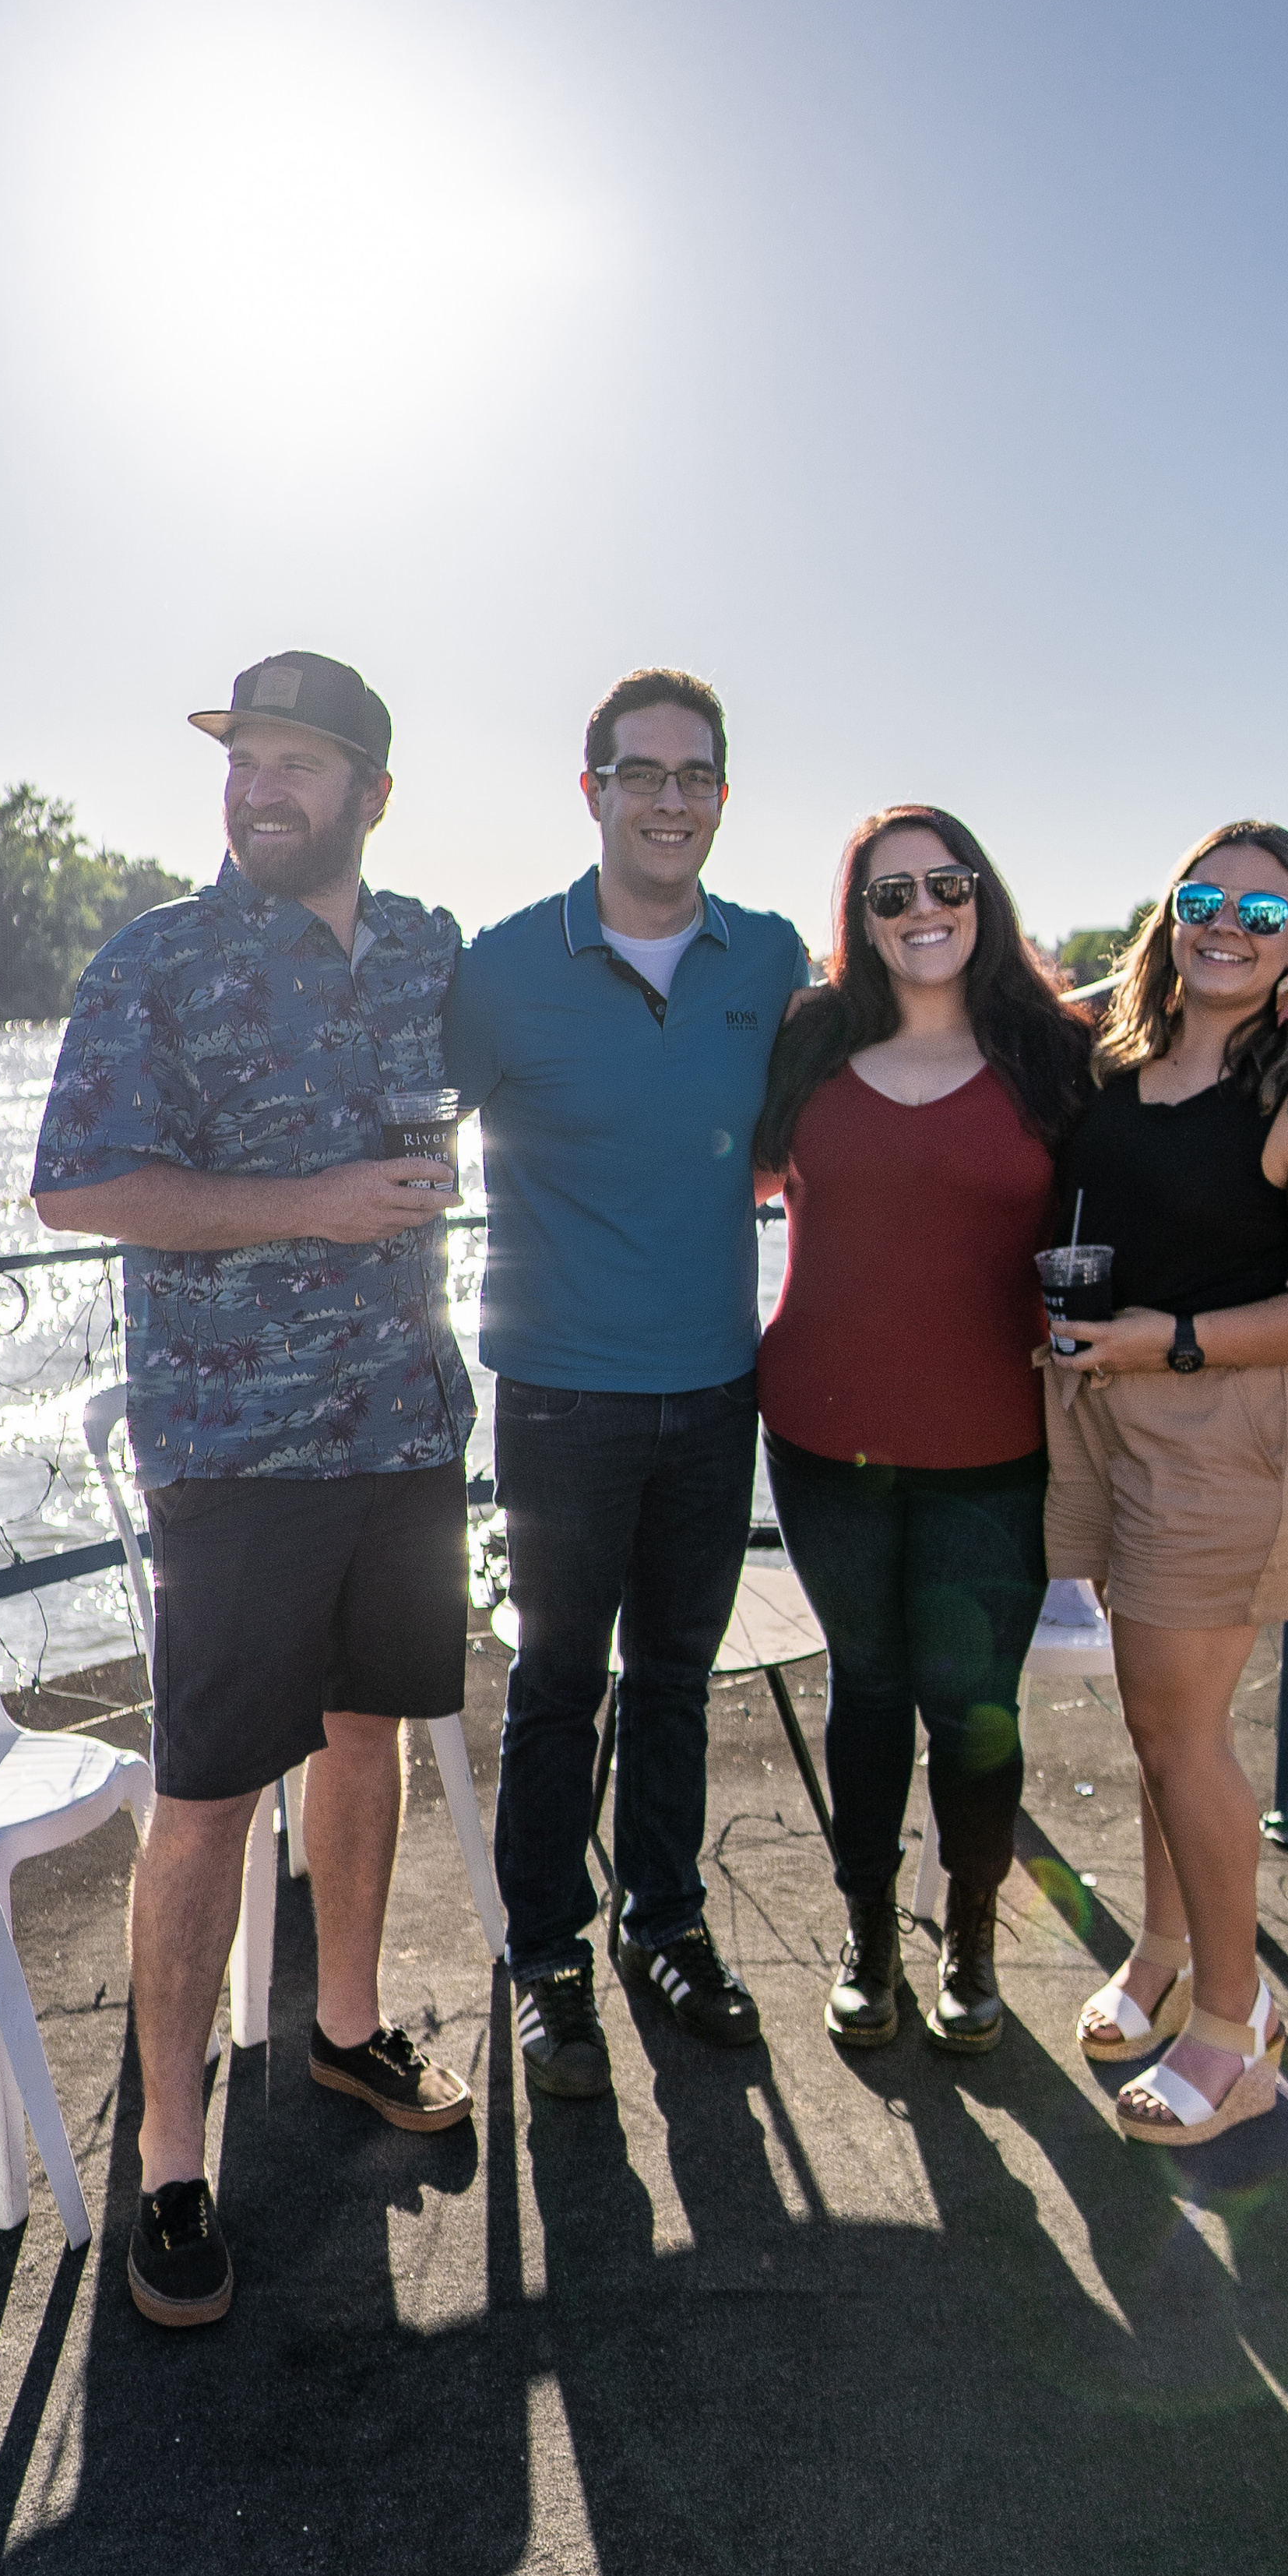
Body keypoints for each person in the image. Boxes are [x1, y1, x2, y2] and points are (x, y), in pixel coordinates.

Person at [33, 650, 477, 2328]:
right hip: (234, 1453)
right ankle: (169, 2155)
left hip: (407, 1430)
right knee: (208, 1794)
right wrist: (318, 1201)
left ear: (371, 789)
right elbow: (80, 1187)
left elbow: (573, 1047)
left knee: (369, 1738)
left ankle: (347, 2030)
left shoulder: (431, 950)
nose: (261, 787)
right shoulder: (155, 961)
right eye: (245, 760)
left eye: (299, 762)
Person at [442, 669, 809, 2099]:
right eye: (642, 773)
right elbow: (391, 1121)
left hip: (719, 1393)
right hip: (560, 1399)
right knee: (554, 1688)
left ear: (722, 796)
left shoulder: (769, 958)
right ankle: (547, 1962)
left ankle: (668, 1926)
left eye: (695, 775)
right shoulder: (503, 967)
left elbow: (926, 1042)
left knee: (675, 1683)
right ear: (590, 790)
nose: (670, 799)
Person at [1046, 822, 1288, 2143]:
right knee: (1154, 1723)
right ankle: (1160, 1951)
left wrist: (1175, 1341)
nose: (1231, 925)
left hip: (1222, 1433)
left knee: (1180, 1732)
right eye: (1206, 899)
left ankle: (1237, 2018)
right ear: (1171, 914)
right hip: (1111, 1414)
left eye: (1266, 910)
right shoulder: (1119, 1059)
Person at [753, 808, 1094, 2053]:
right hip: (819, 1432)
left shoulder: (1054, 1055)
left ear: (982, 896)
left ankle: (972, 1941)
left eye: (944, 883)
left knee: (973, 1704)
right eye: (890, 895)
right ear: (861, 919)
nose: (921, 910)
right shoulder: (811, 1039)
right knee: (870, 1686)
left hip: (997, 1441)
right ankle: (866, 1938)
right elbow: (718, 1170)